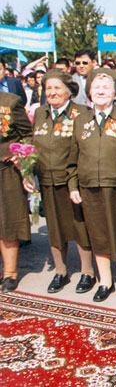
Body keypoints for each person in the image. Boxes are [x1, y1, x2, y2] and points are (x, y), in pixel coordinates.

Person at [67, 68, 116, 303]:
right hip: (90, 187)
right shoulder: (80, 120)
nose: (100, 92)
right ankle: (105, 281)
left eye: (105, 88)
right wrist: (73, 186)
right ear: (89, 93)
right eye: (96, 88)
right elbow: (73, 157)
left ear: (115, 93)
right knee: (98, 235)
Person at [23, 70, 95, 294]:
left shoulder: (82, 113)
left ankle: (87, 272)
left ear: (69, 91)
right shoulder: (40, 112)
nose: (52, 93)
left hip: (73, 182)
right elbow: (32, 144)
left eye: (57, 88)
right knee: (55, 228)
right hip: (47, 180)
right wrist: (27, 170)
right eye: (48, 88)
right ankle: (60, 271)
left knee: (80, 226)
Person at [0, 91, 32, 293]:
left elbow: (28, 134)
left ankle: (10, 273)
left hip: (5, 169)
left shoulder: (10, 102)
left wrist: (21, 154)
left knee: (8, 221)